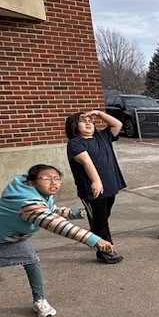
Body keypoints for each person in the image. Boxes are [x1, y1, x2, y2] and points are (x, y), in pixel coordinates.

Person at [0, 164, 116, 317]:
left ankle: (39, 301)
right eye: (46, 179)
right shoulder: (27, 203)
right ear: (32, 182)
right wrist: (95, 240)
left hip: (11, 236)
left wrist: (73, 213)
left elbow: (49, 210)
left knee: (31, 261)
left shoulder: (39, 195)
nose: (53, 183)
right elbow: (54, 223)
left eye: (57, 179)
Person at [65, 109, 126, 264]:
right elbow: (86, 161)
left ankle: (95, 236)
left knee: (102, 218)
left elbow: (117, 124)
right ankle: (105, 252)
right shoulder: (75, 143)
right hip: (92, 191)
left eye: (90, 121)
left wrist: (99, 113)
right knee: (101, 222)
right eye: (82, 121)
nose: (88, 123)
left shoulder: (102, 136)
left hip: (110, 188)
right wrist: (96, 180)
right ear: (73, 126)